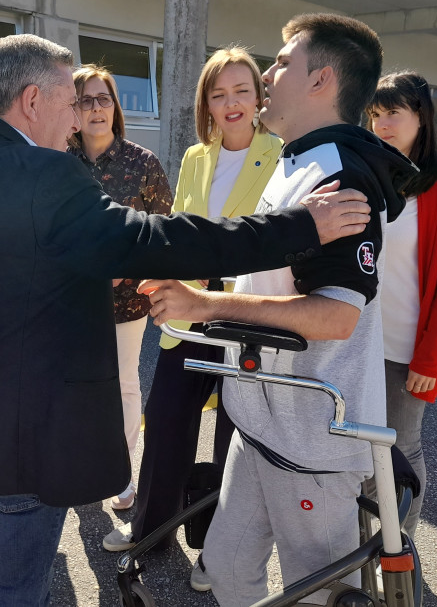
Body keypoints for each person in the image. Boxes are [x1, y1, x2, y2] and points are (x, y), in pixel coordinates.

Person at [0, 33, 373, 606]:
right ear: (31, 100)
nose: (77, 118)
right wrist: (300, 227)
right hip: (25, 432)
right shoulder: (46, 175)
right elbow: (158, 238)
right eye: (70, 101)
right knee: (15, 584)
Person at [138, 13, 417, 606]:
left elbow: (335, 317)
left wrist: (203, 301)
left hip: (313, 440)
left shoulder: (342, 176)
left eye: (284, 61)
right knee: (228, 568)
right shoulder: (296, 161)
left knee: (317, 594)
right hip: (259, 422)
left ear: (321, 80)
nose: (270, 72)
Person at [103, 46, 281, 552]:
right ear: (206, 103)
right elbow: (177, 228)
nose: (231, 103)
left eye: (241, 91)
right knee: (165, 422)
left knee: (234, 433)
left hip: (246, 317)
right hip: (188, 312)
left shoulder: (281, 154)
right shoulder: (196, 156)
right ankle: (150, 531)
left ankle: (219, 548)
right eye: (218, 93)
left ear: (259, 96)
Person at [366, 70, 437, 539]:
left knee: (401, 447)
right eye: (374, 115)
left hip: (409, 344)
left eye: (392, 113)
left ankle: (400, 546)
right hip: (358, 336)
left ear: (421, 117)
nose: (382, 124)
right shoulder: (372, 169)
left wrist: (430, 354)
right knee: (361, 445)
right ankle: (368, 537)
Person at [68, 63, 173, 510]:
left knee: (124, 385)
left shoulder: (142, 162)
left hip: (126, 300)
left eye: (104, 98)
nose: (96, 108)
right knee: (73, 385)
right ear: (72, 109)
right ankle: (76, 465)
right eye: (85, 100)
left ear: (115, 107)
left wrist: (125, 270)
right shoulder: (57, 159)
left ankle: (120, 472)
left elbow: (162, 228)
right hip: (68, 300)